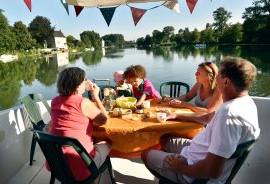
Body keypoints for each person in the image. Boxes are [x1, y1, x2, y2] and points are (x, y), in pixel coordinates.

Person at [141, 56, 260, 184]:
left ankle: (173, 179)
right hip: (197, 150)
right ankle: (168, 171)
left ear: (226, 82)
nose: (215, 78)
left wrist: (183, 168)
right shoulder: (247, 103)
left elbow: (212, 170)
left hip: (192, 170)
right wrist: (176, 115)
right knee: (163, 139)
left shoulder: (228, 115)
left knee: (146, 153)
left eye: (218, 75)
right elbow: (208, 118)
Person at [47, 67, 112, 183]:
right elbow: (104, 120)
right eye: (84, 81)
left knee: (93, 139)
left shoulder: (55, 101)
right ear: (77, 86)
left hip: (56, 164)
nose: (86, 82)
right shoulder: (83, 102)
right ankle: (95, 175)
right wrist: (96, 96)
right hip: (80, 167)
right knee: (108, 142)